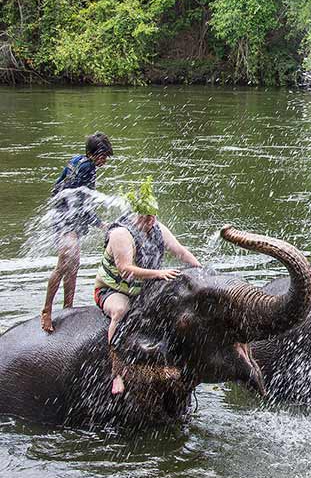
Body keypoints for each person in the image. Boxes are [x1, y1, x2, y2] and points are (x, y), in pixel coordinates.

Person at [94, 178, 201, 395]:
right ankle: (117, 373)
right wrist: (159, 274)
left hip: (144, 290)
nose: (151, 220)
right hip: (115, 290)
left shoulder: (158, 228)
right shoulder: (121, 234)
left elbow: (179, 251)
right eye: (147, 217)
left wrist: (201, 269)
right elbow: (126, 269)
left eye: (153, 216)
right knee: (121, 311)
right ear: (137, 214)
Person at [41, 132, 114, 333]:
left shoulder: (76, 160)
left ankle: (68, 308)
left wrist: (59, 209)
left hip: (64, 218)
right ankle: (47, 310)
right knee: (64, 265)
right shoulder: (88, 168)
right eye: (104, 156)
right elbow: (81, 204)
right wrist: (101, 225)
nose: (105, 160)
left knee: (73, 265)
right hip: (66, 222)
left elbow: (56, 187)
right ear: (96, 154)